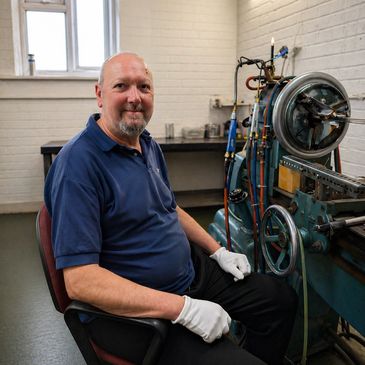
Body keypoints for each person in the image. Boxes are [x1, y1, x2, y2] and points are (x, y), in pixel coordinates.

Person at [44, 52, 297, 365]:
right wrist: (183, 309)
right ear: (99, 95)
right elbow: (81, 281)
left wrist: (217, 251)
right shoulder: (78, 165)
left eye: (144, 87)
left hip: (191, 275)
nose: (134, 98)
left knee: (279, 301)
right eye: (121, 86)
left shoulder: (146, 143)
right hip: (134, 314)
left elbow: (169, 208)